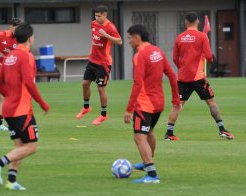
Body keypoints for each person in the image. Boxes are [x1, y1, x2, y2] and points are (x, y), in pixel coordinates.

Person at [0, 23, 50, 190]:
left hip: (9, 108)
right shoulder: (26, 56)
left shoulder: (9, 56)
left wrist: (10, 95)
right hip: (21, 110)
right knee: (31, 147)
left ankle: (12, 181)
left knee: (20, 148)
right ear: (30, 38)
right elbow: (29, 82)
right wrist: (42, 103)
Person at [164, 12, 234, 140]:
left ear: (186, 22)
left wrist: (183, 67)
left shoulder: (179, 37)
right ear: (197, 22)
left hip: (183, 77)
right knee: (211, 102)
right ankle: (222, 130)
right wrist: (209, 59)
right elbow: (208, 56)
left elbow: (174, 58)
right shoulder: (202, 36)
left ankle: (169, 133)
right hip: (198, 77)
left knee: (177, 105)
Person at [124, 24, 180, 183]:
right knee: (149, 133)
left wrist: (129, 109)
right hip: (158, 104)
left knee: (139, 137)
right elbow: (171, 74)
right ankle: (148, 162)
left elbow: (137, 83)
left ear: (137, 37)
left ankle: (152, 174)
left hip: (144, 104)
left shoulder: (140, 55)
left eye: (129, 38)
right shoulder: (158, 51)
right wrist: (176, 100)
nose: (129, 41)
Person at [76, 5, 122, 125]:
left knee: (100, 88)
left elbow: (119, 41)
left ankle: (103, 115)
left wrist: (106, 35)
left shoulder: (110, 27)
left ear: (105, 15)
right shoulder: (94, 24)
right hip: (93, 61)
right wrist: (91, 50)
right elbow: (94, 39)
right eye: (95, 15)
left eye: (99, 16)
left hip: (104, 63)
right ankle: (86, 107)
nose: (96, 18)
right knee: (85, 84)